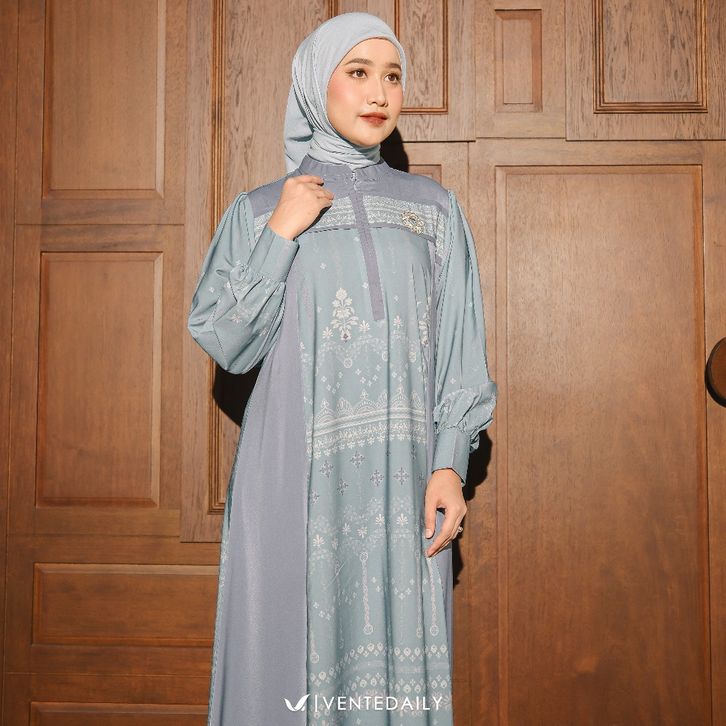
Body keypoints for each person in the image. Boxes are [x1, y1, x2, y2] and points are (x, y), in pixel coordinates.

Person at [187, 11, 497, 725]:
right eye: (357, 73)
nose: (379, 93)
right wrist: (281, 231)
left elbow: (461, 348)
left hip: (405, 479)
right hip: (293, 479)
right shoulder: (259, 211)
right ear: (313, 83)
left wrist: (450, 463)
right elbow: (226, 340)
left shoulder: (434, 211)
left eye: (392, 76)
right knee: (289, 669)